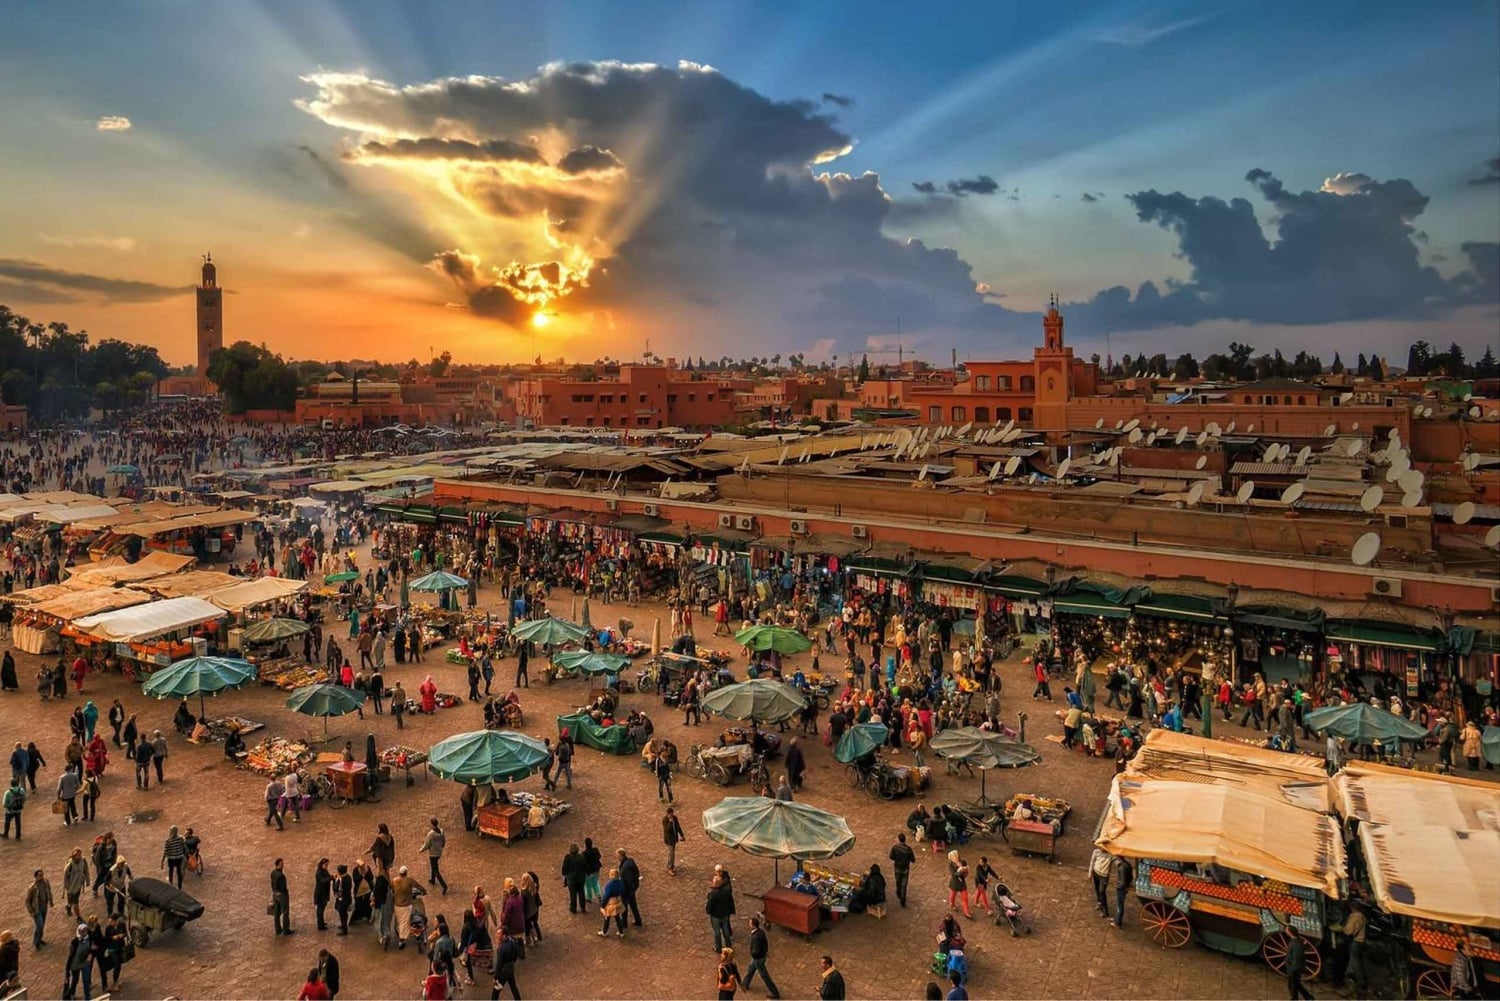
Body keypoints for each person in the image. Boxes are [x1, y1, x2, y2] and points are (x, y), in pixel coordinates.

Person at [742, 915, 781, 998]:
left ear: (753, 925)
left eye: (750, 923)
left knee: (764, 976)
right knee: (751, 969)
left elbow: (756, 950)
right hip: (761, 956)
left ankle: (775, 993)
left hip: (758, 958)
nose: (749, 925)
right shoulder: (761, 932)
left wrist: (752, 953)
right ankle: (745, 983)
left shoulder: (755, 937)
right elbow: (765, 943)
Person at [63, 923, 93, 1000]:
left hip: (85, 963)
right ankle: (72, 993)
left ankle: (87, 998)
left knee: (86, 981)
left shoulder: (89, 938)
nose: (84, 933)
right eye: (82, 931)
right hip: (75, 964)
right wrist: (67, 968)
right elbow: (70, 955)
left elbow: (90, 948)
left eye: (85, 931)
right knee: (75, 980)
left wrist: (90, 954)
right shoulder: (75, 942)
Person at [706, 872, 735, 951]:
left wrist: (708, 911)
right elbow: (730, 901)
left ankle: (718, 947)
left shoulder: (713, 894)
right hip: (725, 914)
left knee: (717, 931)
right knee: (725, 929)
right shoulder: (726, 891)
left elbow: (710, 905)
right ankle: (729, 945)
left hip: (716, 915)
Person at [491, 931, 523, 1000]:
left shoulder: (502, 948)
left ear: (504, 935)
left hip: (503, 971)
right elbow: (516, 954)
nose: (497, 935)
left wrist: (496, 976)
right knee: (513, 986)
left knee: (496, 990)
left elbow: (499, 963)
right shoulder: (512, 942)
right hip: (510, 968)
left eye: (499, 934)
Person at [1285, 925, 1314, 1000]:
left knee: (1292, 984)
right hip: (1294, 966)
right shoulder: (1296, 941)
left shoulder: (1296, 944)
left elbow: (1296, 957)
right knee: (1297, 984)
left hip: (1294, 968)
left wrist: (1292, 968)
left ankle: (1294, 998)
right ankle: (1308, 997)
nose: (1286, 931)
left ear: (1290, 932)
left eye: (1287, 930)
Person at [598, 867, 628, 938]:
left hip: (610, 903)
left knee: (607, 917)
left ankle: (604, 932)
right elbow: (623, 892)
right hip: (617, 902)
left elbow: (606, 896)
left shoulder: (610, 885)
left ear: (613, 875)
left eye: (611, 874)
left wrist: (602, 905)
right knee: (617, 918)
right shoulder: (620, 883)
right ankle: (621, 932)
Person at [26, 869, 52, 948]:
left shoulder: (46, 882)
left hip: (44, 906)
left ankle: (39, 939)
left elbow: (49, 891)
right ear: (36, 877)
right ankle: (36, 941)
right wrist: (32, 912)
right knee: (39, 925)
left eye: (42, 875)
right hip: (37, 909)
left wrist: (51, 900)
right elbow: (27, 901)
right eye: (40, 876)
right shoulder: (32, 887)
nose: (42, 877)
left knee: (42, 924)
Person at [423, 817, 449, 894]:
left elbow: (427, 844)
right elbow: (444, 841)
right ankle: (432, 879)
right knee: (433, 865)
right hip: (439, 852)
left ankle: (444, 886)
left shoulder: (431, 834)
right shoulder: (441, 831)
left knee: (435, 869)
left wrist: (421, 850)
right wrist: (441, 847)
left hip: (433, 853)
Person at [889, 833, 916, 907]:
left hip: (897, 867)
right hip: (905, 869)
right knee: (904, 885)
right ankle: (903, 900)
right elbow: (913, 859)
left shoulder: (895, 847)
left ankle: (898, 892)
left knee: (898, 881)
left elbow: (891, 857)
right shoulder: (908, 849)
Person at [271, 858, 293, 936]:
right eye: (281, 864)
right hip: (282, 895)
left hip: (275, 894)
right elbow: (283, 887)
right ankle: (286, 929)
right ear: (277, 865)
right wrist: (286, 893)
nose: (283, 866)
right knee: (285, 912)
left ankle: (278, 929)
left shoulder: (273, 873)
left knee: (276, 913)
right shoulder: (281, 876)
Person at [946, 850, 972, 918]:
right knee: (953, 895)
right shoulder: (951, 865)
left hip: (962, 883)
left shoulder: (962, 862)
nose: (957, 856)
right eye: (956, 855)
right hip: (955, 882)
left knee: (965, 897)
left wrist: (966, 870)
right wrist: (961, 871)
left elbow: (966, 869)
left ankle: (966, 912)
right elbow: (954, 874)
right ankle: (952, 904)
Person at [1111, 855, 1133, 929]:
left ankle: (1118, 923)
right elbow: (1131, 877)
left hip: (1122, 888)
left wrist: (1118, 886)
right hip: (1126, 886)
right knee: (1119, 905)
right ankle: (1116, 919)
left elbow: (1122, 882)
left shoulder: (1122, 868)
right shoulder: (1128, 864)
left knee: (1119, 906)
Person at [663, 806, 686, 876]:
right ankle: (670, 867)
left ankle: (670, 864)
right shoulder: (665, 820)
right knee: (671, 853)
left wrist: (682, 835)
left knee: (672, 853)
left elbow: (678, 827)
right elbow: (667, 830)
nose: (671, 815)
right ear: (668, 814)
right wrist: (670, 822)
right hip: (669, 840)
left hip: (674, 839)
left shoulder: (675, 818)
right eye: (670, 814)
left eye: (672, 814)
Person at [333, 864, 354, 935]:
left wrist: (334, 880)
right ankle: (343, 926)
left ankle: (344, 929)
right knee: (344, 914)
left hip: (342, 900)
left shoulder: (340, 880)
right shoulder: (348, 877)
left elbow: (336, 889)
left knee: (342, 914)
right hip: (347, 898)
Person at [314, 859, 333, 931]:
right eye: (326, 865)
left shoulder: (324, 871)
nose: (327, 866)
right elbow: (323, 881)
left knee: (322, 908)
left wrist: (331, 877)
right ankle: (320, 924)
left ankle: (321, 922)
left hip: (324, 893)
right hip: (320, 894)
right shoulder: (319, 873)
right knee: (320, 909)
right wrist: (331, 877)